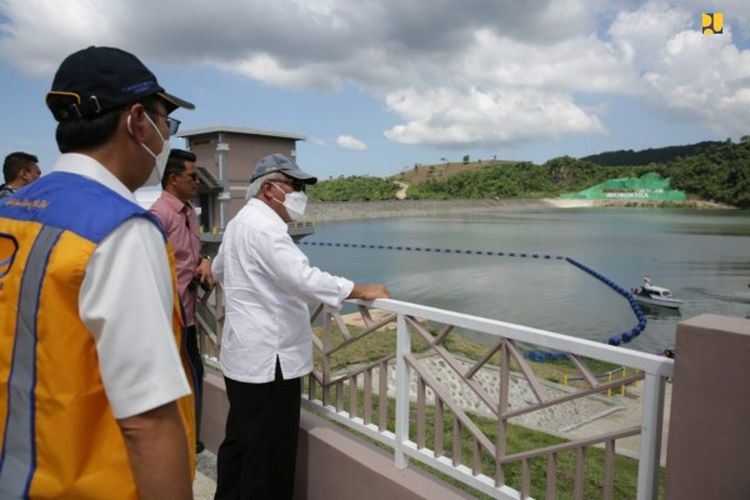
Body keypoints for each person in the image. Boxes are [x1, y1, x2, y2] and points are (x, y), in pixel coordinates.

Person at [0, 46, 197, 498]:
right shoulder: (120, 230)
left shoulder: (12, 212)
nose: (166, 136)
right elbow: (148, 422)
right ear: (136, 121)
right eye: (166, 121)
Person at [212, 153, 390, 499]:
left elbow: (219, 270)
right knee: (270, 453)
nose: (298, 194)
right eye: (293, 186)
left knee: (240, 442)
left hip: (243, 356)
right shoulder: (265, 228)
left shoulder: (238, 223)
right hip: (270, 360)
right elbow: (302, 277)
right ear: (268, 189)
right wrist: (357, 289)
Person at [150, 148, 214, 454]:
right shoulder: (158, 215)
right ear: (173, 179)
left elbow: (188, 255)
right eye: (193, 176)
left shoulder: (189, 212)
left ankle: (190, 440)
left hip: (188, 315)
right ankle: (180, 444)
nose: (198, 182)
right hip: (168, 318)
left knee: (193, 376)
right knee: (178, 380)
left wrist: (204, 261)